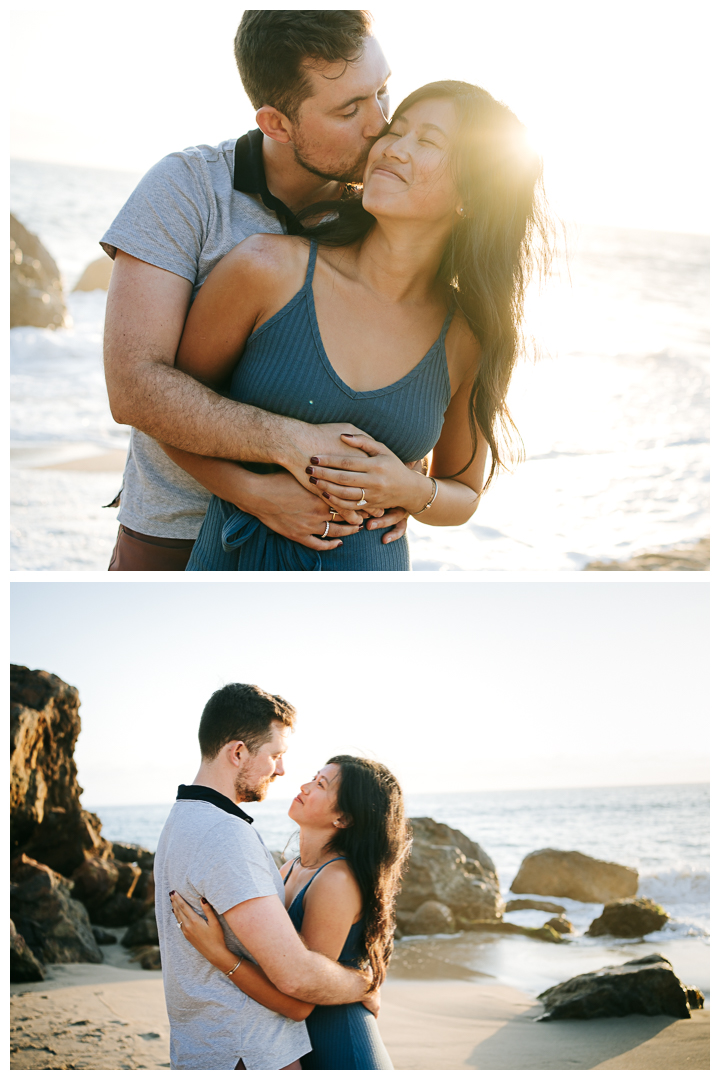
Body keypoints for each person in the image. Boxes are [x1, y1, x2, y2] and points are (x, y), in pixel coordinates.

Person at [162, 80, 551, 570]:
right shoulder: (265, 270)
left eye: (427, 142)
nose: (393, 149)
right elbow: (168, 413)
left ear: (472, 196)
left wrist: (409, 489)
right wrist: (254, 492)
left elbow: (464, 493)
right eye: (398, 131)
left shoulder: (467, 337)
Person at [101, 11, 411, 570]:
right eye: (350, 109)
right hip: (176, 533)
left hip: (334, 548)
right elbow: (133, 387)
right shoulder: (187, 189)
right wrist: (282, 451)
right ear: (276, 123)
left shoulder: (389, 207)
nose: (381, 124)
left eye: (383, 93)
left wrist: (407, 486)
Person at [154, 683, 379, 1071]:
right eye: (276, 755)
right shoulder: (225, 833)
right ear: (238, 752)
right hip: (248, 1053)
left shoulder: (180, 821)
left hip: (206, 1046)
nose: (282, 769)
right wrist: (366, 982)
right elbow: (295, 985)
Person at [171, 755, 409, 1070]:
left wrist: (218, 954)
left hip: (341, 1046)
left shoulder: (336, 880)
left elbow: (299, 999)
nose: (304, 787)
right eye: (313, 777)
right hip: (298, 1044)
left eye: (320, 784)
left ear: (343, 818)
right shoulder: (288, 869)